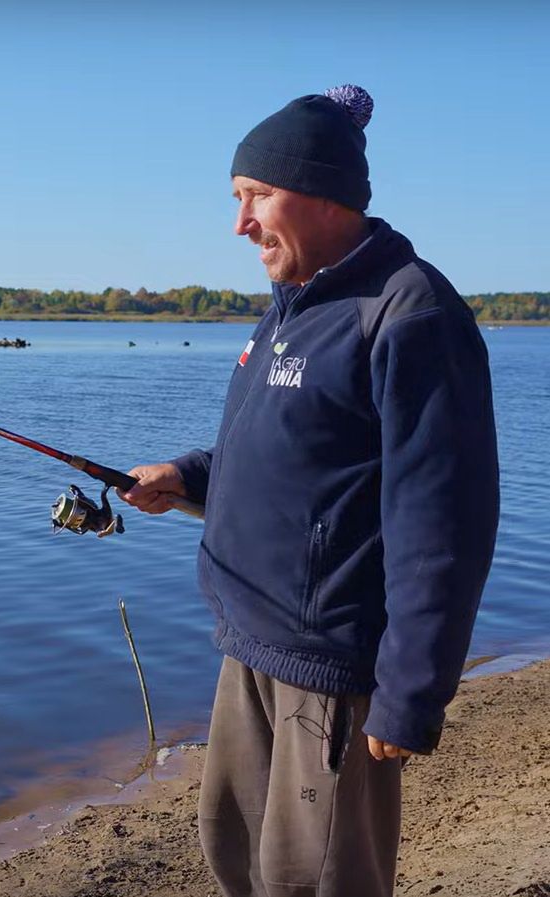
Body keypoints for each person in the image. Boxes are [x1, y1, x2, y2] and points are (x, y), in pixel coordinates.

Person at [119, 85, 499, 897]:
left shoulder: (409, 311)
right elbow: (279, 447)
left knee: (316, 879)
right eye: (236, 199)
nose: (239, 223)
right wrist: (187, 475)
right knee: (235, 856)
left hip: (328, 668)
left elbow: (443, 523)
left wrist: (409, 694)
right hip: (249, 641)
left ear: (321, 189)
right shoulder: (292, 305)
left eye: (254, 196)